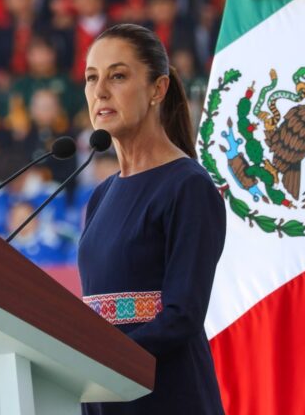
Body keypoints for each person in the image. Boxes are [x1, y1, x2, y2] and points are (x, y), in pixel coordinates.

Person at [78, 23, 225, 414]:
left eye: (118, 76)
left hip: (166, 396)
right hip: (103, 393)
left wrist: (96, 360)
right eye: (91, 78)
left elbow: (182, 316)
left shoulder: (188, 186)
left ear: (158, 89)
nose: (100, 91)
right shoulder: (100, 196)